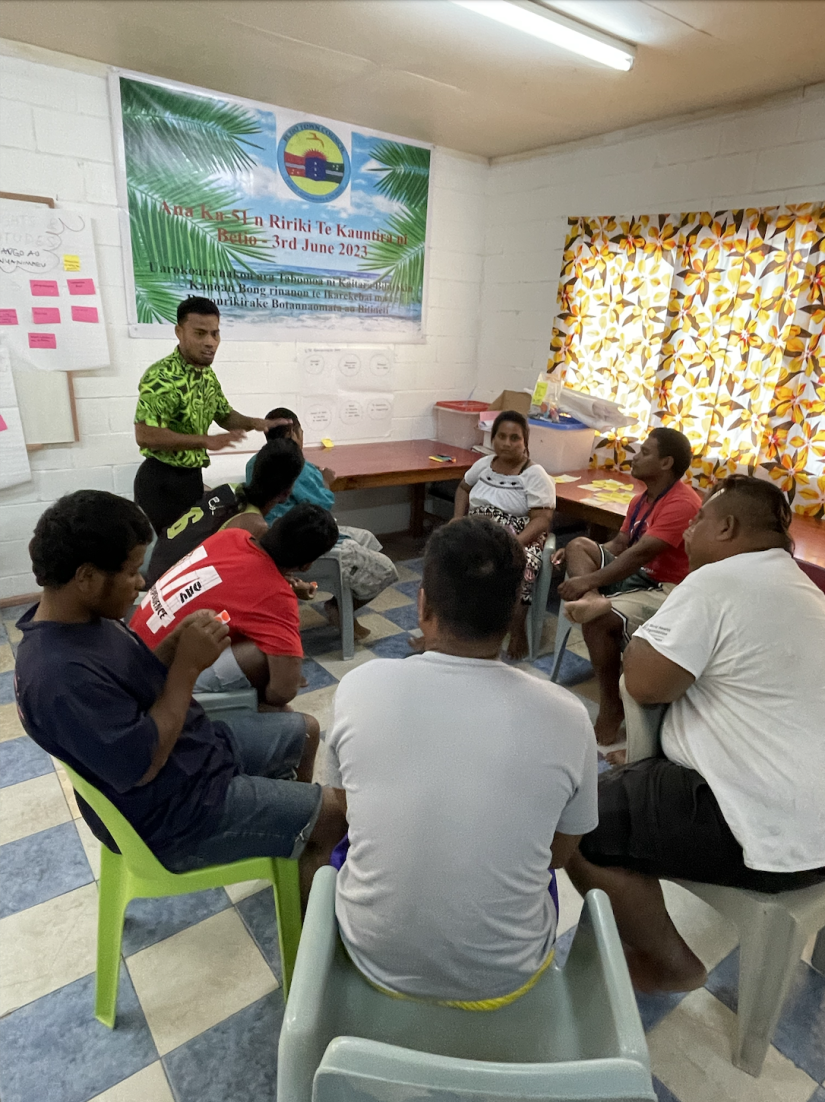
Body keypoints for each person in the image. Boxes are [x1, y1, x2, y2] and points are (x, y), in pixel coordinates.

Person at [14, 491, 347, 902]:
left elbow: (131, 686)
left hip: (193, 757)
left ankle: (293, 839)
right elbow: (143, 763)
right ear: (86, 577)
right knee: (337, 814)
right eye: (132, 572)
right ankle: (309, 882)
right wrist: (187, 668)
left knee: (305, 730)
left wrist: (173, 646)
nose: (142, 583)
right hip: (175, 816)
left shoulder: (87, 621)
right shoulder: (59, 676)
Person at [567, 476, 825, 994]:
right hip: (814, 824)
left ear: (726, 528)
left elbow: (645, 684)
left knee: (579, 821)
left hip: (763, 830)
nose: (688, 531)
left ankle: (672, 965)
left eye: (699, 520)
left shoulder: (717, 580)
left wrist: (642, 636)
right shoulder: (809, 593)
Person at [326, 517, 598, 1004]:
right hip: (506, 979)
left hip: (374, 960)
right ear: (514, 612)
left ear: (423, 606)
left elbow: (348, 811)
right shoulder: (569, 716)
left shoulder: (359, 687)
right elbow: (558, 856)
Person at [552, 427, 701, 745]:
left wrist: (586, 580)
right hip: (638, 575)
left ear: (666, 463)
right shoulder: (640, 500)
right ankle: (593, 599)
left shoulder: (682, 502)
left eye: (645, 452)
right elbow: (621, 545)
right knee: (578, 545)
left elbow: (642, 553)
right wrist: (584, 559)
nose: (635, 457)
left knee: (597, 622)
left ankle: (612, 708)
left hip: (667, 586)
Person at [131, 504, 339, 709]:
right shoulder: (277, 597)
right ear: (307, 565)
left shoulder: (231, 536)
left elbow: (238, 580)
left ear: (276, 524)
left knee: (270, 645)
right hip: (156, 688)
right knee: (267, 658)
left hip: (132, 651)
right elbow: (283, 691)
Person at [133, 296, 290, 534]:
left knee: (196, 545)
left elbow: (225, 416)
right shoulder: (162, 377)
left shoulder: (207, 376)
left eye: (215, 334)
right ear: (179, 332)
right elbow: (145, 435)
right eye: (200, 333)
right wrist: (205, 440)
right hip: (162, 481)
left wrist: (255, 423)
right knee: (175, 552)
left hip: (191, 478)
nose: (210, 342)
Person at [246, 408, 398, 640]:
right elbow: (321, 509)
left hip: (280, 536)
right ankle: (339, 607)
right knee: (387, 569)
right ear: (293, 433)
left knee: (367, 538)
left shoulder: (256, 461)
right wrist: (325, 481)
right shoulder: (298, 466)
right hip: (302, 542)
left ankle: (343, 604)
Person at [452, 410, 555, 659]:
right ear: (493, 438)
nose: (507, 443)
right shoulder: (484, 465)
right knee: (448, 556)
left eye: (514, 438)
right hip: (479, 529)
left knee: (520, 565)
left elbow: (542, 519)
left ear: (525, 441)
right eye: (501, 436)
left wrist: (515, 542)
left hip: (520, 533)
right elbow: (463, 488)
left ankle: (517, 630)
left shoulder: (534, 474)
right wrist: (457, 517)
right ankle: (453, 626)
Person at [142, 437, 305, 589]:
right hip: (167, 590)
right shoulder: (256, 526)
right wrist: (291, 586)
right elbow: (250, 580)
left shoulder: (227, 489)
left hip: (156, 568)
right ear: (286, 492)